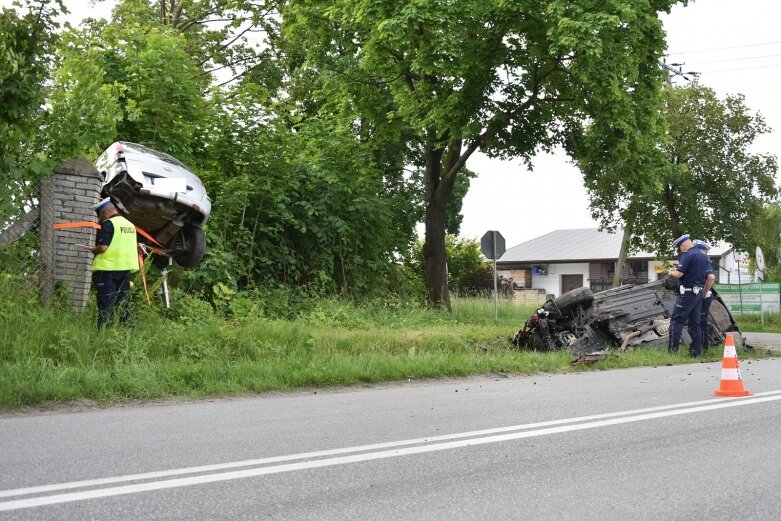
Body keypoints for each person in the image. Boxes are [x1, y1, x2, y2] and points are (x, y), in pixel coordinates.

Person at [80, 198, 140, 328]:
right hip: (125, 269)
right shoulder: (130, 225)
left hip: (108, 270)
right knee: (124, 303)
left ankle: (104, 334)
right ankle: (127, 332)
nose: (100, 219)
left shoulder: (108, 224)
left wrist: (92, 249)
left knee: (106, 304)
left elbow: (103, 248)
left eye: (100, 215)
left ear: (105, 213)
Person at [667, 234, 710, 356]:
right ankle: (695, 351)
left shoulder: (687, 255)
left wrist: (670, 272)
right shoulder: (703, 256)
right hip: (698, 293)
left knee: (676, 321)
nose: (680, 250)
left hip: (687, 293)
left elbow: (679, 274)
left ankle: (672, 351)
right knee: (695, 323)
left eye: (680, 247)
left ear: (684, 244)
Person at [693, 239, 716, 354]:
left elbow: (711, 278)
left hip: (703, 295)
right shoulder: (702, 260)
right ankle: (701, 348)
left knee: (701, 322)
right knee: (699, 321)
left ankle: (703, 349)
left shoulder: (705, 260)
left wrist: (704, 292)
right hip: (700, 294)